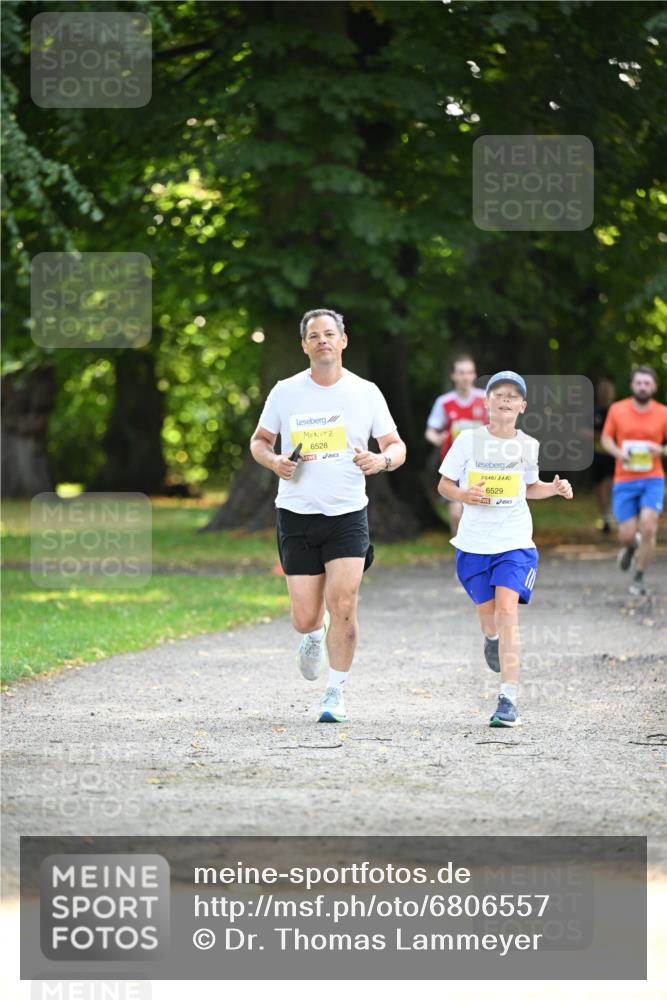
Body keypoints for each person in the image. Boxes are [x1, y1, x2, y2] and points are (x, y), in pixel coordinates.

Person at [249, 308, 406, 723]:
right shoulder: (285, 392)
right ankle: (313, 636)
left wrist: (382, 460)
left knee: (345, 603)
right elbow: (260, 441)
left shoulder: (366, 392)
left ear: (343, 341)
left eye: (329, 334)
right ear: (304, 345)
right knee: (305, 617)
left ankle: (335, 692)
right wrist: (275, 462)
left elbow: (396, 445)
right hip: (297, 513)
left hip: (347, 512)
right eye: (314, 335)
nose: (322, 340)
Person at [438, 371, 573, 728]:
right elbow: (444, 485)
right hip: (473, 544)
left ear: (522, 406)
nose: (506, 399)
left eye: (513, 395)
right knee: (490, 617)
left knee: (508, 611)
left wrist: (554, 488)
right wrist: (465, 495)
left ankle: (508, 699)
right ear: (487, 401)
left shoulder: (528, 445)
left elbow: (529, 488)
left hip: (514, 541)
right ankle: (490, 637)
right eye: (499, 393)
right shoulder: (467, 441)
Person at [601, 365, 667, 596]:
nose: (642, 387)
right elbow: (606, 438)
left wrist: (660, 449)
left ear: (654, 386)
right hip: (624, 479)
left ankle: (639, 577)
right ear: (632, 386)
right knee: (627, 534)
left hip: (653, 478)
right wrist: (619, 454)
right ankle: (630, 546)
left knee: (649, 526)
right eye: (639, 383)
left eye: (647, 383)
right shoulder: (618, 410)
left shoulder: (663, 413)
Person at [425, 355, 488, 535]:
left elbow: (499, 426)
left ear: (474, 375)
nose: (465, 377)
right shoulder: (444, 402)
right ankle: (459, 548)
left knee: (482, 510)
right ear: (453, 376)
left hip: (482, 464)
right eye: (461, 373)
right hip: (456, 465)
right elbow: (430, 431)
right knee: (455, 513)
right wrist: (437, 438)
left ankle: (481, 549)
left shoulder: (485, 399)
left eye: (469, 372)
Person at [591, 377, 616, 533]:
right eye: (603, 390)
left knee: (613, 484)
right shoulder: (593, 411)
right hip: (598, 454)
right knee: (600, 485)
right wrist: (599, 436)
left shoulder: (618, 411)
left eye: (608, 390)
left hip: (615, 454)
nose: (606, 393)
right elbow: (581, 430)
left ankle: (611, 513)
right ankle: (605, 515)